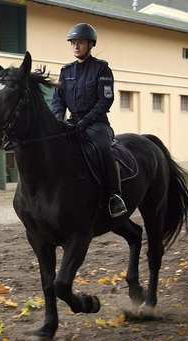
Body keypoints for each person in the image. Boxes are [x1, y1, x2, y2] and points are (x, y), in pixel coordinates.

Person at [51, 23, 127, 218]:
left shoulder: (101, 69)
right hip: (71, 123)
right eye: (73, 43)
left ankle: (115, 197)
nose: (76, 47)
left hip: (97, 124)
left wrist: (87, 120)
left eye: (80, 43)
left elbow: (106, 99)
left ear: (91, 44)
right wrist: (58, 118)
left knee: (103, 149)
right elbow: (58, 99)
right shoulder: (66, 71)